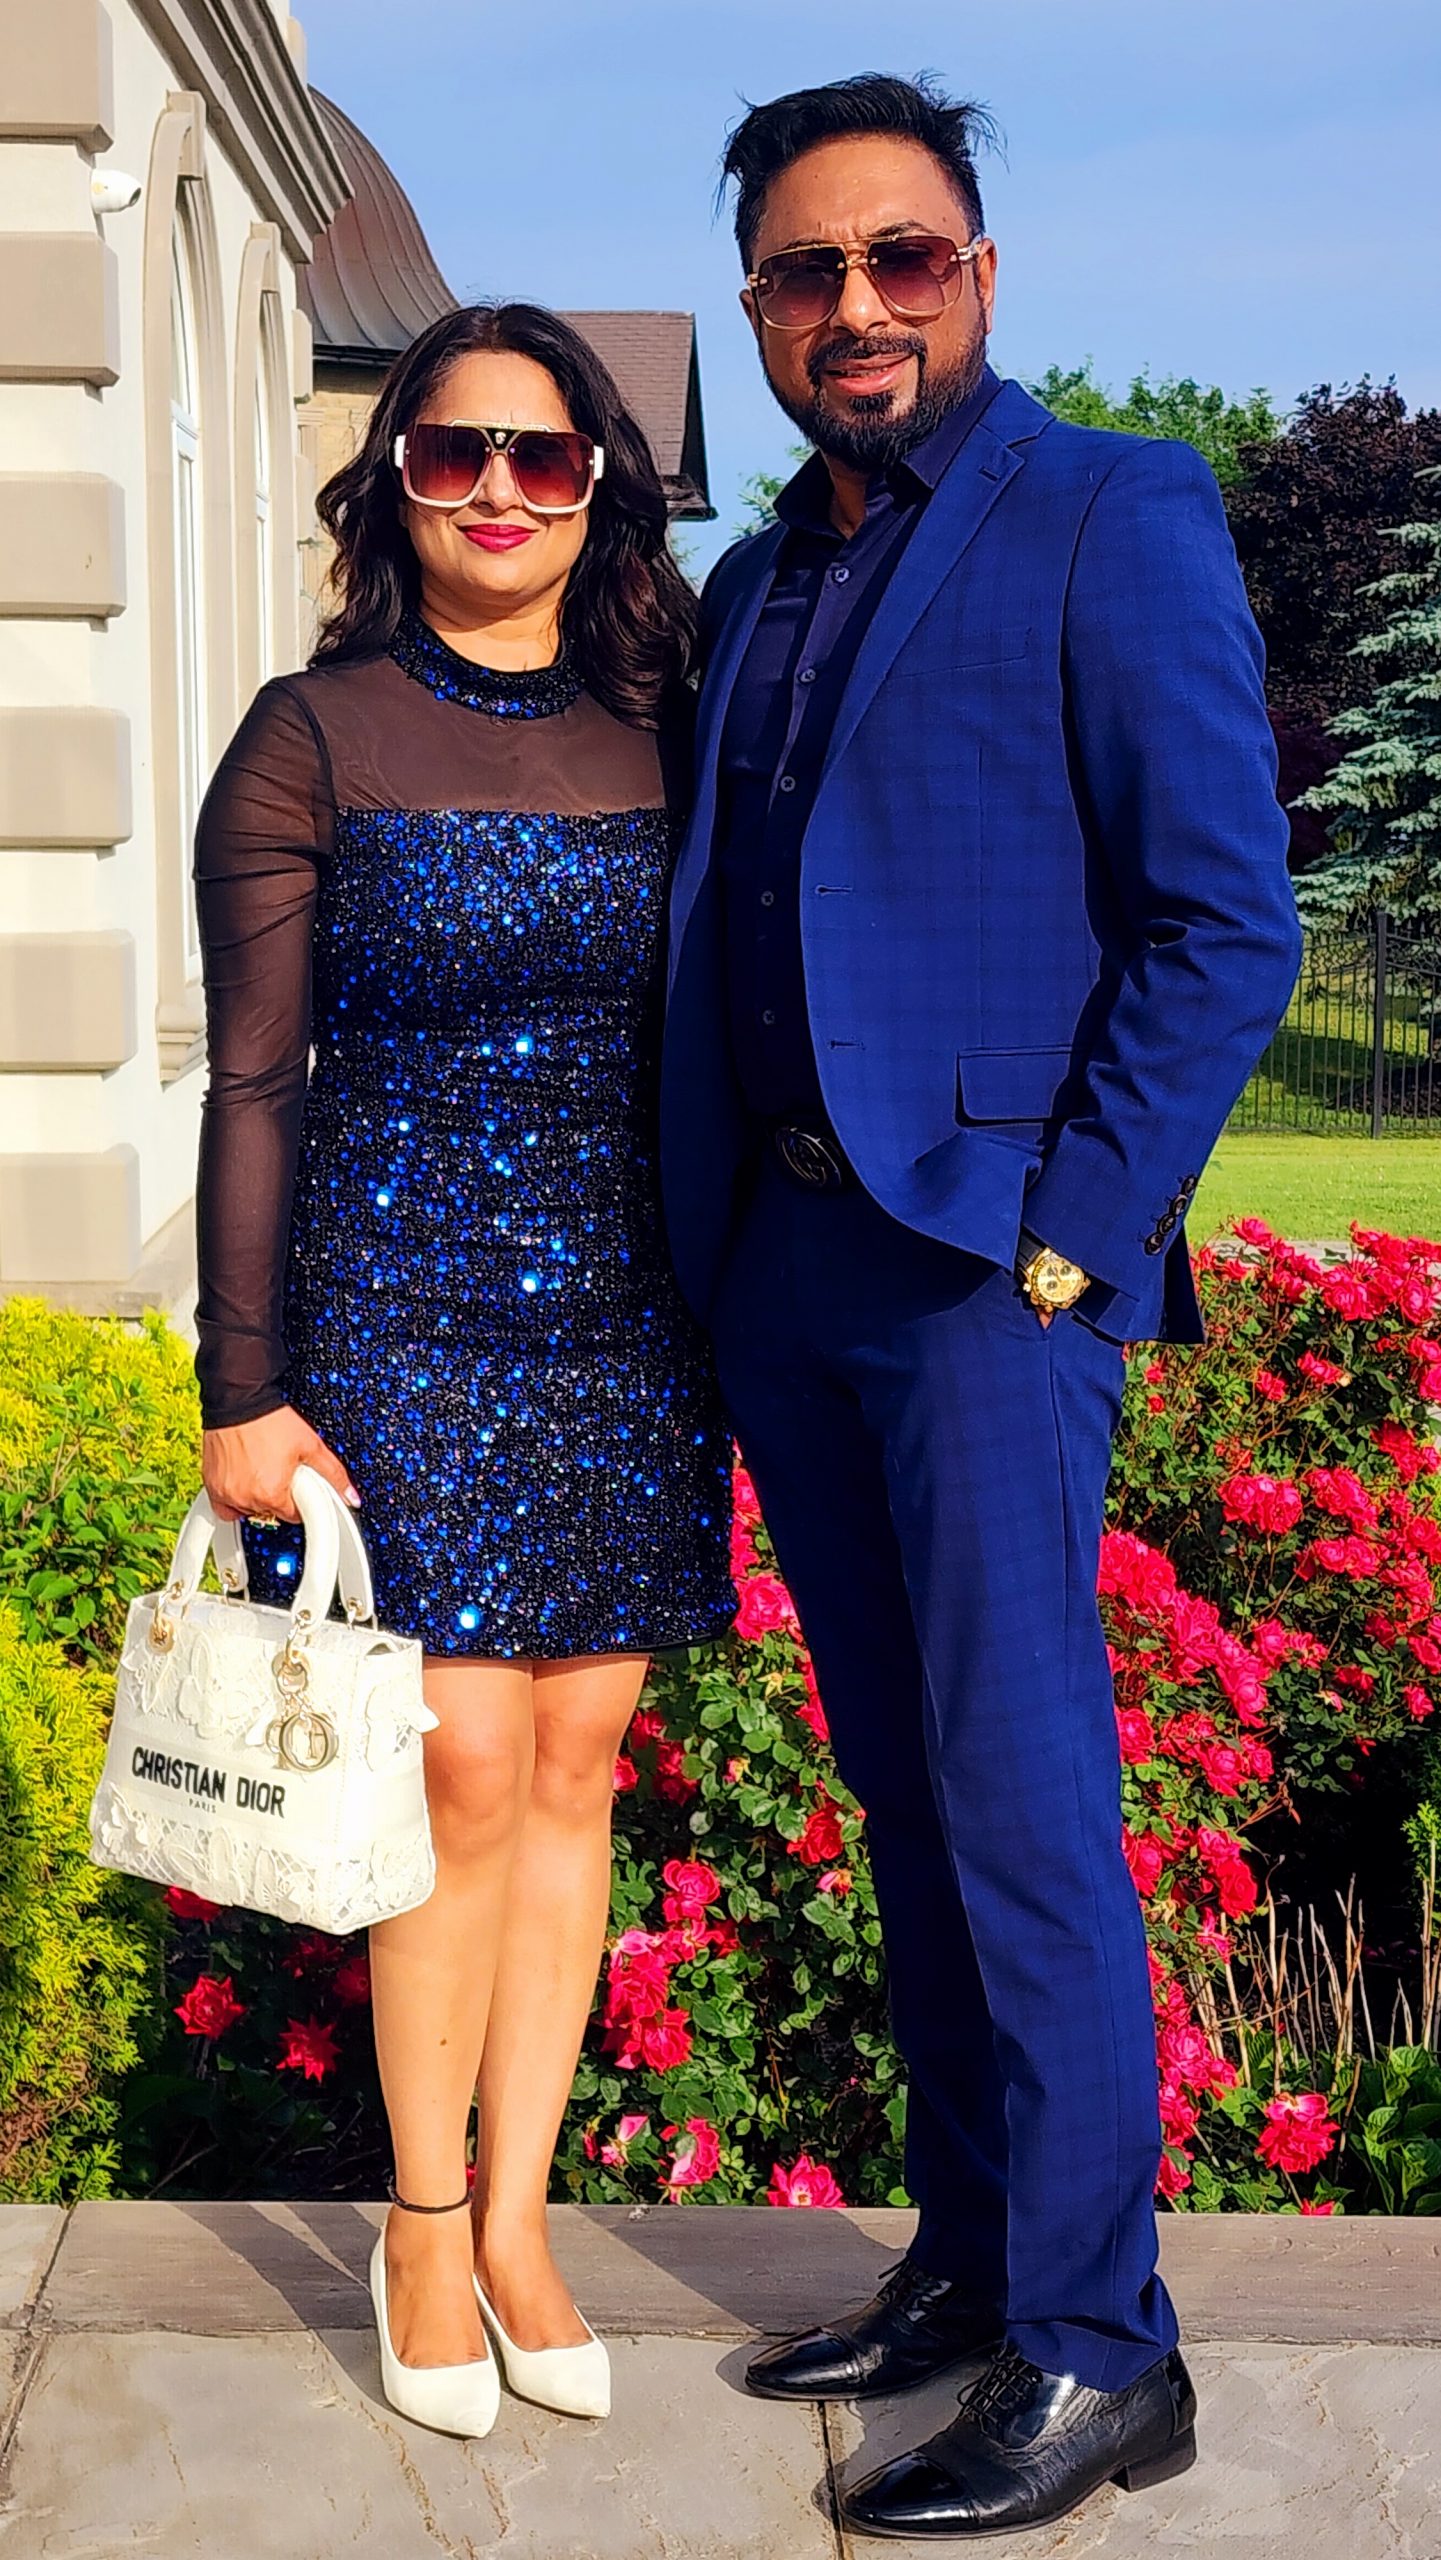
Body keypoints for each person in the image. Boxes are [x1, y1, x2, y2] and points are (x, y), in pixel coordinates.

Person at [661, 74, 1301, 2540]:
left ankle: (1100, 2344)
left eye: (899, 258)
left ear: (978, 277)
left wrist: (1071, 1229)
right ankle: (970, 2258)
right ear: (754, 303)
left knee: (1022, 1804)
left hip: (980, 1276)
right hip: (790, 1261)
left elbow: (1221, 915)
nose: (854, 305)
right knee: (907, 1793)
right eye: (804, 269)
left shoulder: (1109, 508)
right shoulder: (751, 581)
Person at [193, 302, 734, 2440]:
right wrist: (242, 1390)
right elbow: (256, 1083)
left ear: (600, 483)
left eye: (542, 453)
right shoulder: (307, 734)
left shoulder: (674, 718)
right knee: (456, 1768)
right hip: (395, 1304)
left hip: (629, 1309)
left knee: (580, 1759)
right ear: (391, 479)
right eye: (451, 451)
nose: (498, 488)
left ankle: (521, 2222)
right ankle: (422, 2221)